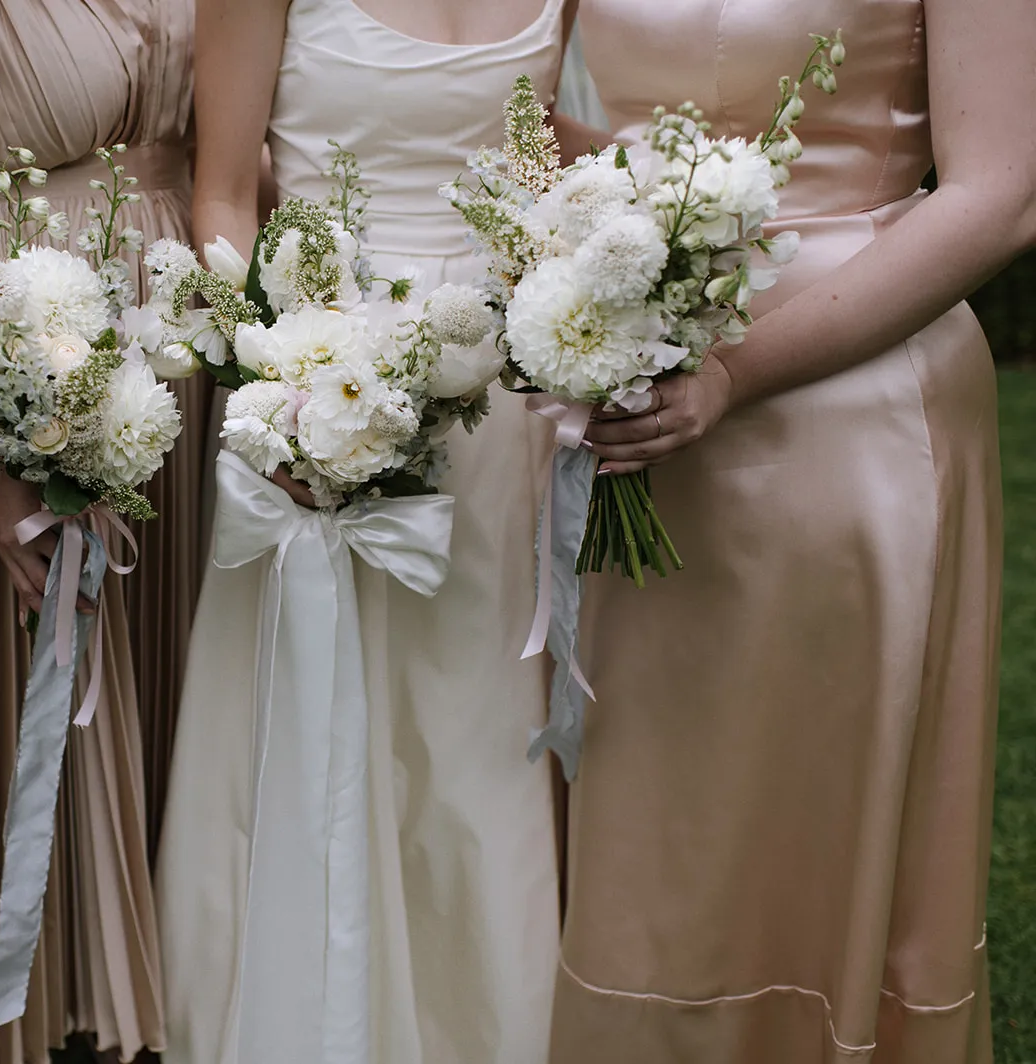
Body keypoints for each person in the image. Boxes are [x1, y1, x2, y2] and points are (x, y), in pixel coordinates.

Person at [554, 1, 1034, 1059]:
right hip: (621, 369)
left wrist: (733, 371)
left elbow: (1001, 196)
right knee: (639, 814)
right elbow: (532, 109)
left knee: (812, 816)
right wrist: (578, 271)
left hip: (856, 403)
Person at [155, 0, 575, 1059]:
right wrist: (282, 381)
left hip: (507, 405)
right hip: (321, 391)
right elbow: (220, 187)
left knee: (480, 734)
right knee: (330, 715)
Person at [0, 1, 200, 1059]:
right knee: (41, 701)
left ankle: (175, 988)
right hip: (14, 333)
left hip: (178, 347)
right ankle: (46, 1010)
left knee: (182, 680)